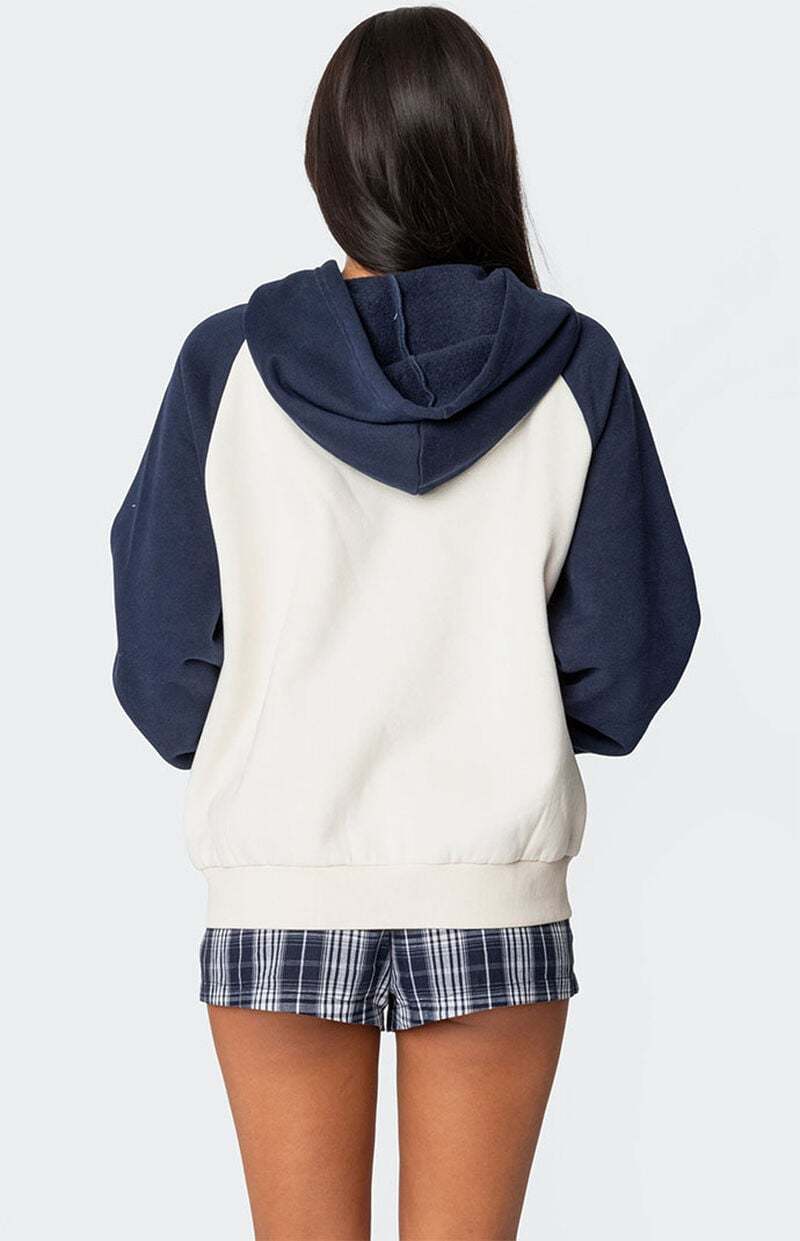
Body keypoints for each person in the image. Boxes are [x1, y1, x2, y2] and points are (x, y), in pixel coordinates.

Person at [110, 7, 699, 1238]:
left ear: (326, 163)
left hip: (279, 880)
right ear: (484, 155)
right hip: (491, 883)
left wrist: (268, 726)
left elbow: (162, 661)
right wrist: (507, 713)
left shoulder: (228, 366)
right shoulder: (573, 368)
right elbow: (628, 656)